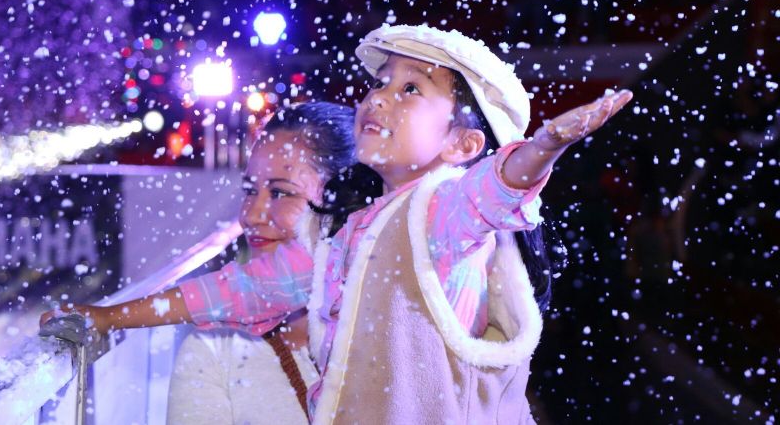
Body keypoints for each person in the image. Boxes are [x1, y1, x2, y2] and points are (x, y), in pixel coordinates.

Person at [302, 23, 632, 424]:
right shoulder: (353, 227)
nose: (380, 99)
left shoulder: (442, 210)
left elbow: (494, 189)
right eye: (380, 84)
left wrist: (543, 149)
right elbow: (262, 286)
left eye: (410, 89)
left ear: (462, 145)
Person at [41, 101, 359, 425]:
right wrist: (109, 317)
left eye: (280, 193)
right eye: (249, 190)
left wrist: (111, 317)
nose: (250, 215)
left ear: (347, 203)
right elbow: (237, 290)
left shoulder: (398, 321)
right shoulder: (215, 352)